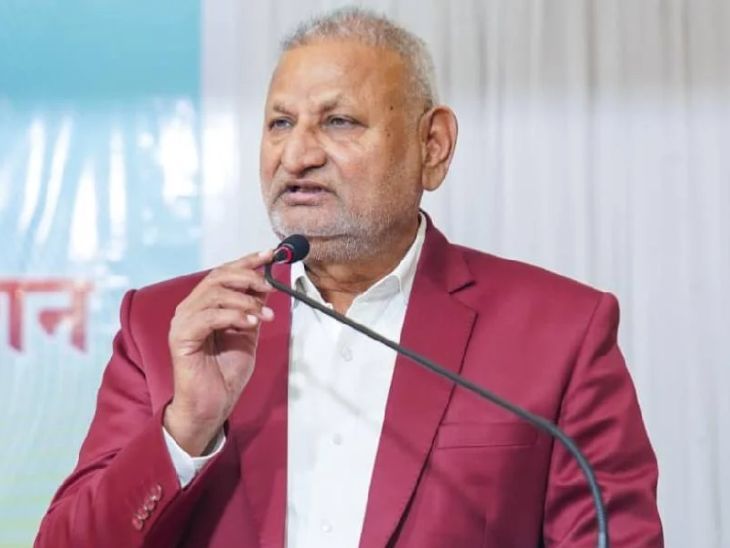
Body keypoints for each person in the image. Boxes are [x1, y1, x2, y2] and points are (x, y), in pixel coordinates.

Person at [35, 8, 662, 547]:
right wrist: (187, 427)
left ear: (433, 145)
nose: (297, 154)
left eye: (339, 122)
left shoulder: (560, 332)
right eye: (280, 123)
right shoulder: (167, 326)